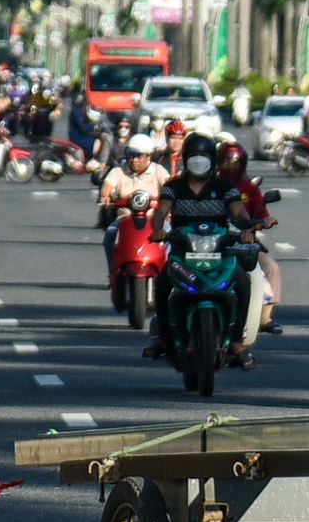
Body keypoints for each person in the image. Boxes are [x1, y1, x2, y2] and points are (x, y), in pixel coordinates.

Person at [149, 134, 257, 366]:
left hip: (220, 253)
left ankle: (236, 341)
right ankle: (165, 339)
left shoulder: (225, 187)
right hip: (182, 253)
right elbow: (160, 212)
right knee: (163, 282)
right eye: (194, 156)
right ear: (186, 159)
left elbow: (238, 212)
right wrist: (157, 229)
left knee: (243, 281)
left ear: (213, 160)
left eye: (205, 156)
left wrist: (247, 228)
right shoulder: (173, 187)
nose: (199, 161)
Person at [217, 138, 283, 336]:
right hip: (213, 243)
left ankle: (265, 318)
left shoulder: (250, 188)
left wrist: (265, 221)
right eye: (226, 161)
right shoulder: (211, 186)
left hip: (245, 243)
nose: (231, 166)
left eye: (236, 162)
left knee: (271, 267)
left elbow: (262, 215)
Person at [98, 136, 170, 266]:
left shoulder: (158, 171)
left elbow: (169, 188)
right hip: (125, 220)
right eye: (131, 156)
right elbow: (107, 187)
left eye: (139, 156)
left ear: (148, 156)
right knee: (110, 233)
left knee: (170, 234)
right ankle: (114, 271)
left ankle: (167, 271)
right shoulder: (118, 171)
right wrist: (106, 197)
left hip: (154, 220)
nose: (134, 160)